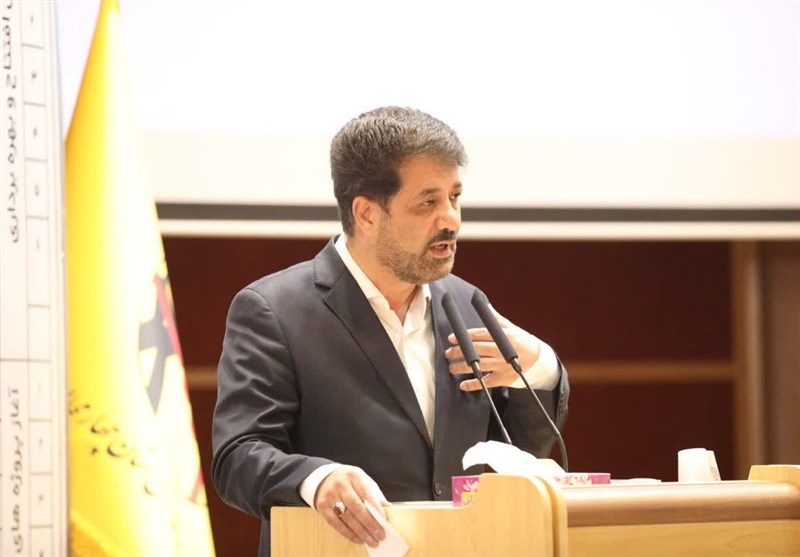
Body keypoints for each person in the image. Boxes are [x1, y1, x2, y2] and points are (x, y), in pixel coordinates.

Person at [211, 106, 569, 556]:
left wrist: (540, 369)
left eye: (455, 197)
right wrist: (315, 480)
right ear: (366, 214)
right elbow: (238, 457)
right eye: (428, 202)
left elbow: (517, 453)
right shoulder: (275, 310)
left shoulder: (466, 304)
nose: (451, 219)